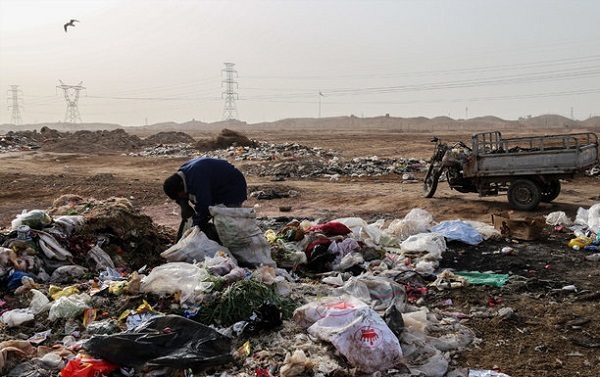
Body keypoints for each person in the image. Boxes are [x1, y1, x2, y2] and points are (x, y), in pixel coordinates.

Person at [163, 157, 247, 241]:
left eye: (181, 196)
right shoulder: (182, 175)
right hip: (215, 187)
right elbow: (186, 196)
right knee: (217, 222)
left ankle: (236, 246)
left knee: (227, 224)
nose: (183, 197)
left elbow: (205, 206)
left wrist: (196, 224)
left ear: (181, 185)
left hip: (232, 188)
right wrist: (183, 205)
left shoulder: (197, 177)